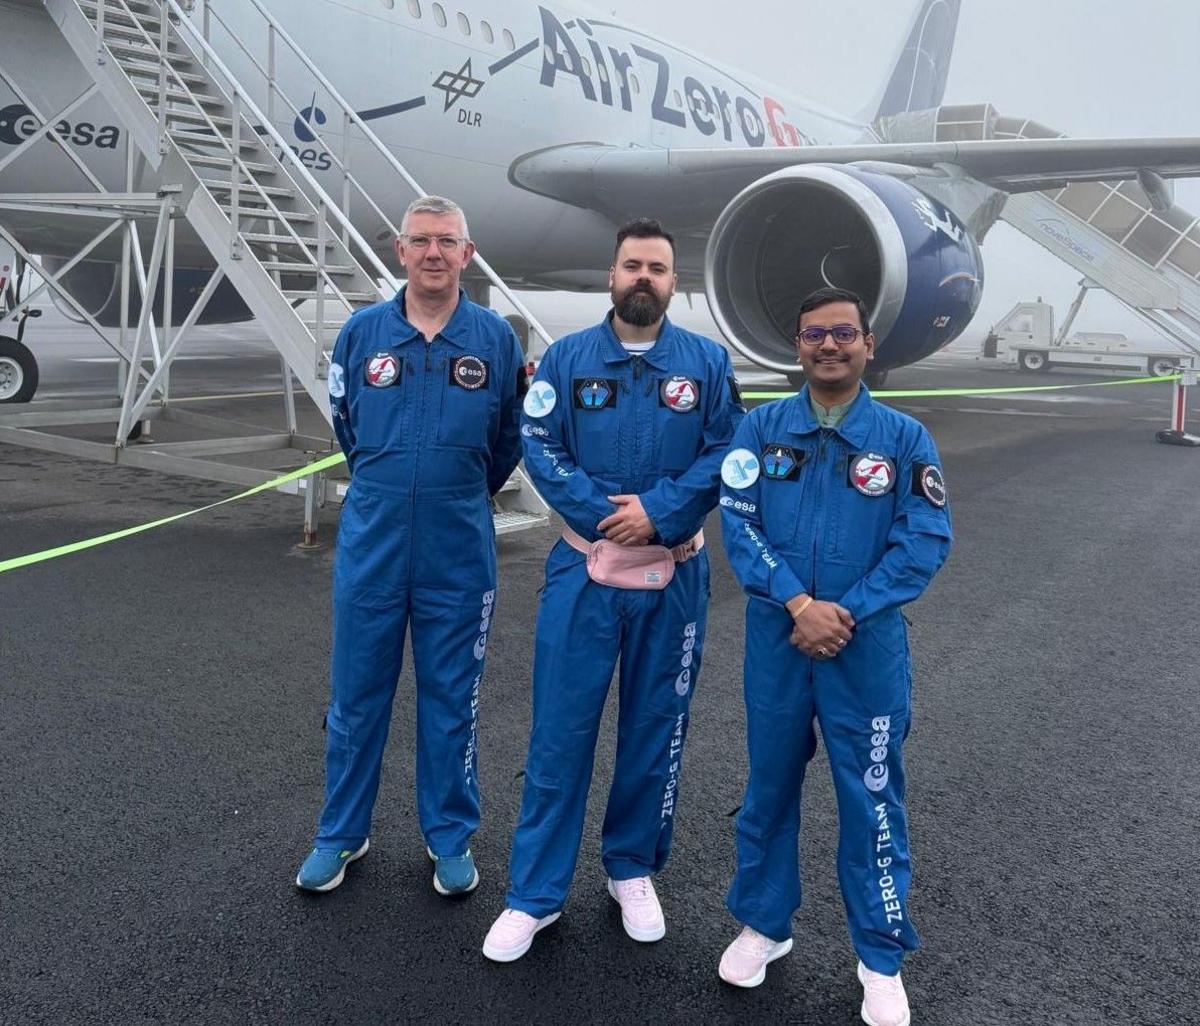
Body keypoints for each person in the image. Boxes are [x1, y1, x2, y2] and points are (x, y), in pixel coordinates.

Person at [481, 218, 744, 962]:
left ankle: (631, 869)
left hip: (676, 577)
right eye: (632, 265)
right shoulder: (566, 360)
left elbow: (730, 448)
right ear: (612, 274)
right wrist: (606, 514)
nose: (643, 279)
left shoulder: (707, 365)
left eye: (658, 269)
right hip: (583, 573)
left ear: (672, 281)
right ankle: (533, 894)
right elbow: (540, 444)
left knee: (656, 729)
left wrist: (660, 510)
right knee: (560, 734)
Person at [716, 287, 952, 1026]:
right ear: (798, 345)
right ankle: (764, 925)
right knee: (768, 792)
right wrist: (797, 602)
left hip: (865, 647)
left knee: (872, 801)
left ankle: (879, 957)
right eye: (814, 333)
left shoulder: (905, 439)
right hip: (779, 641)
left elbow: (924, 538)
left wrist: (846, 611)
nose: (829, 345)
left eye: (843, 333)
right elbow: (739, 523)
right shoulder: (760, 430)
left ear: (868, 345)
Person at [295, 196, 525, 896]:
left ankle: (449, 835)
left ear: (467, 252)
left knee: (452, 697)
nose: (433, 253)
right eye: (421, 240)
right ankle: (341, 833)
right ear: (401, 250)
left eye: (445, 242)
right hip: (374, 537)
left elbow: (506, 442)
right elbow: (348, 426)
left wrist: (455, 489)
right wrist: (391, 483)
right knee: (357, 695)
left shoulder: (494, 340)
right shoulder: (362, 335)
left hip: (458, 542)